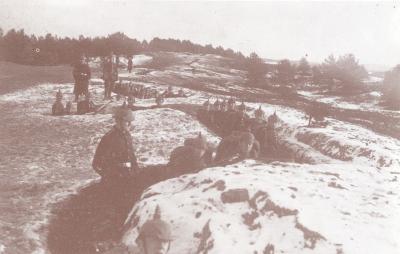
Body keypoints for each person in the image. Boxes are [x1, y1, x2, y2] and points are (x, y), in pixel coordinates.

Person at [92, 102, 139, 182]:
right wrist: (108, 176)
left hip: (128, 177)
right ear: (118, 121)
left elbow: (132, 157)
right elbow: (96, 163)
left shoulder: (127, 136)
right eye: (127, 121)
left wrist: (136, 171)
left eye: (130, 122)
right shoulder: (109, 137)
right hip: (113, 180)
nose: (130, 124)